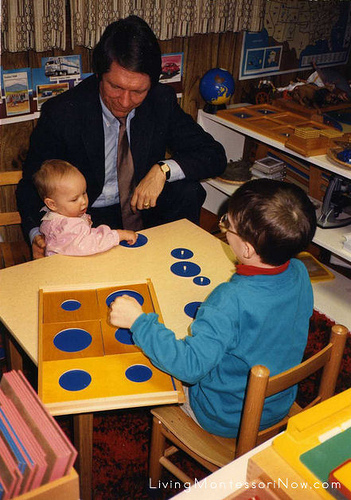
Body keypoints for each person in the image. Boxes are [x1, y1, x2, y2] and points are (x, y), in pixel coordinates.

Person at [109, 179, 317, 437]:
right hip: (277, 403)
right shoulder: (299, 271)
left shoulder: (230, 300)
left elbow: (190, 367)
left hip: (224, 416)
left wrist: (138, 322)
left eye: (227, 224)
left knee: (140, 359)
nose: (224, 228)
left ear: (247, 249)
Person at [16, 15, 227, 259]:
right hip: (85, 219)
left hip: (143, 209)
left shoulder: (160, 100)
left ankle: (178, 263)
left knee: (187, 190)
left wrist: (163, 170)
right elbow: (31, 184)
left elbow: (214, 155)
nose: (125, 102)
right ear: (99, 74)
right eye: (115, 87)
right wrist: (36, 235)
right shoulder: (64, 112)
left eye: (138, 91)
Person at [33, 159, 137, 256]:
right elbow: (90, 243)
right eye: (74, 199)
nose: (83, 201)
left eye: (84, 193)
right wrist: (118, 235)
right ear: (52, 204)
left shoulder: (54, 216)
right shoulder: (68, 225)